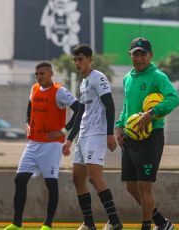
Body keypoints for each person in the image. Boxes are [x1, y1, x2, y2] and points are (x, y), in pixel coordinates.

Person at [50, 44, 123, 230]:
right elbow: (81, 112)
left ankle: (115, 221)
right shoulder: (83, 83)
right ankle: (89, 224)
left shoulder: (99, 78)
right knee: (77, 178)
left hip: (97, 134)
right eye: (75, 59)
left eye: (80, 59)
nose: (77, 63)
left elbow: (110, 105)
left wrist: (109, 134)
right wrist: (69, 139)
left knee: (94, 177)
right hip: (83, 136)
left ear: (90, 60)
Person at [4, 61, 80, 230]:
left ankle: (47, 224)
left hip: (51, 145)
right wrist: (26, 122)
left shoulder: (59, 91)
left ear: (51, 74)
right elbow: (30, 104)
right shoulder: (34, 88)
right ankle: (16, 224)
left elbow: (79, 108)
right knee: (20, 179)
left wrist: (64, 130)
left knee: (50, 183)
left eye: (42, 74)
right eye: (37, 74)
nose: (39, 77)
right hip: (33, 143)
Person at [115, 37, 179, 230]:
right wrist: (119, 126)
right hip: (130, 138)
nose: (139, 58)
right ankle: (161, 222)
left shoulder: (158, 76)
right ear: (130, 56)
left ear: (150, 55)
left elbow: (174, 99)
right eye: (135, 54)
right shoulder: (128, 78)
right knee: (130, 185)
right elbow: (127, 106)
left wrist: (151, 114)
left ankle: (146, 226)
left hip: (151, 137)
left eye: (143, 54)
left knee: (144, 185)